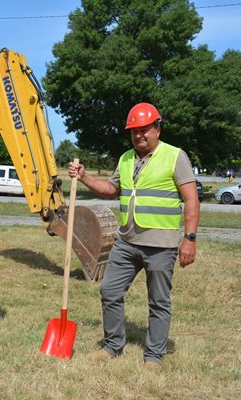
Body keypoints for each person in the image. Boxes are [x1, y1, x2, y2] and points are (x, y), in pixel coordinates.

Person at [68, 102, 200, 367]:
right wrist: (85, 178)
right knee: (109, 290)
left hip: (161, 245)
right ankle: (113, 346)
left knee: (158, 301)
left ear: (157, 129)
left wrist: (190, 239)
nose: (139, 135)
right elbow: (110, 189)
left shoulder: (175, 156)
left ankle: (153, 355)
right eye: (134, 131)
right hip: (126, 241)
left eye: (144, 130)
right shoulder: (126, 158)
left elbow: (192, 200)